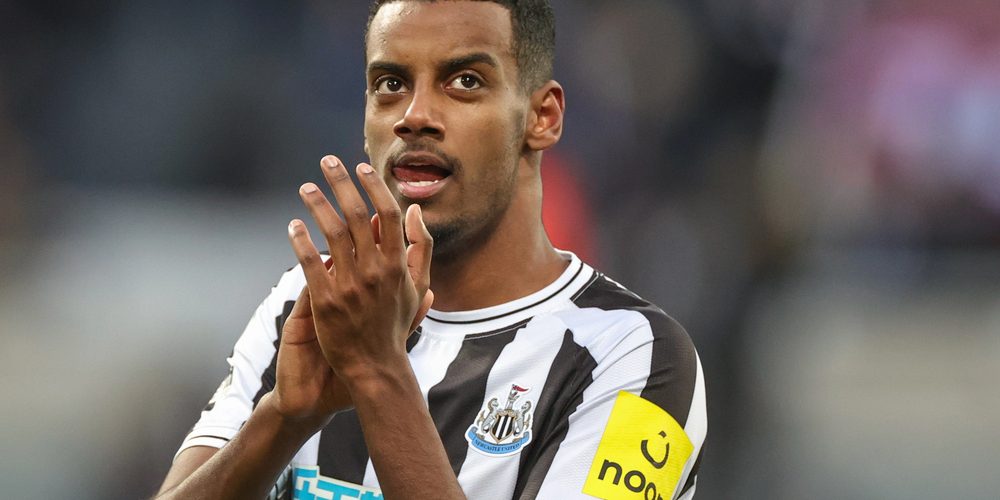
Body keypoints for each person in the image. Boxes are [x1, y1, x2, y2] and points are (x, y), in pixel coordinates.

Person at [155, 1, 706, 499]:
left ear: (542, 117)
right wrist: (282, 418)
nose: (413, 115)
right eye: (390, 84)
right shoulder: (305, 304)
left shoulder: (633, 354)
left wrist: (376, 373)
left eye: (464, 81)